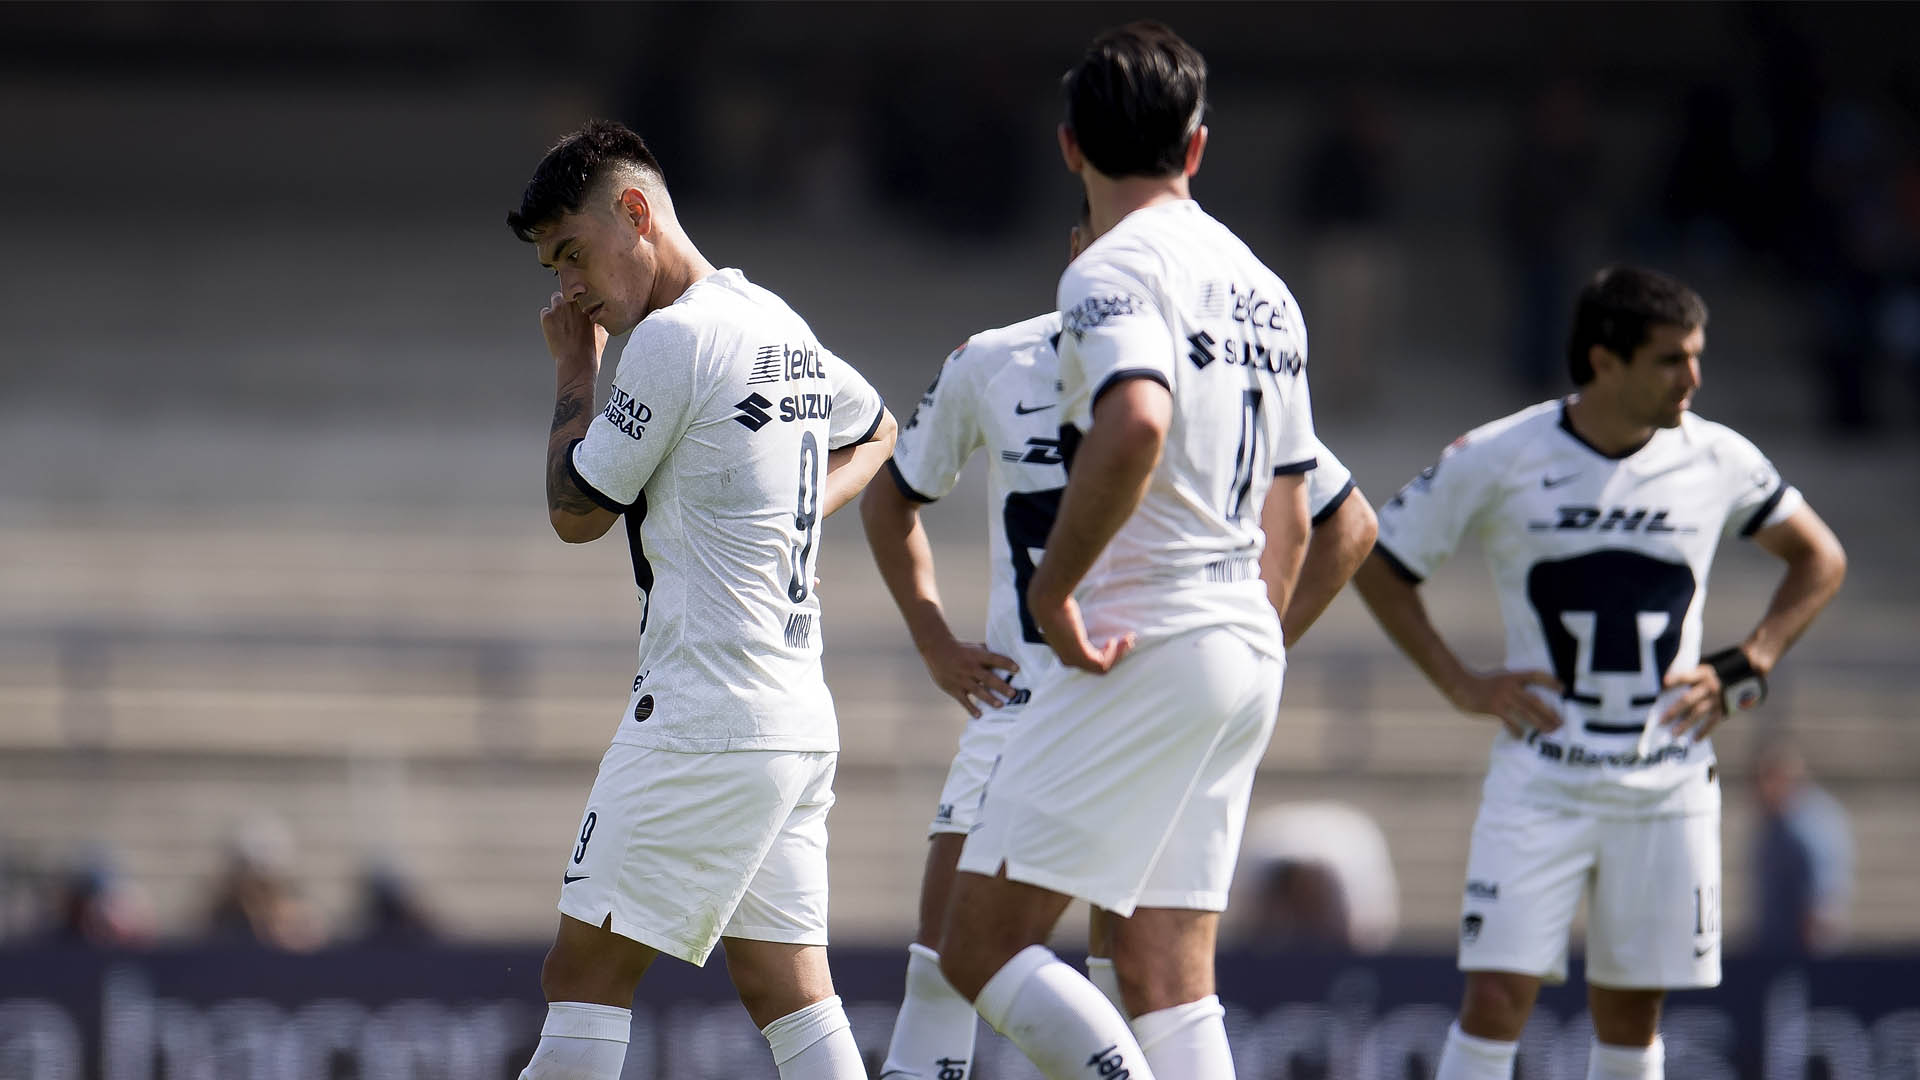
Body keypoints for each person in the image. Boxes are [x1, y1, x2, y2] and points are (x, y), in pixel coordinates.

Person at [864, 201, 1376, 1080]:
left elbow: (1346, 523)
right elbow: (891, 496)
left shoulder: (1192, 373)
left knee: (1016, 955)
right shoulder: (993, 361)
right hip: (1023, 697)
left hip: (1131, 694)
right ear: (1079, 255)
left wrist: (1254, 633)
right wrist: (935, 642)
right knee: (1087, 971)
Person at [934, 23, 1322, 1080]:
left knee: (981, 946)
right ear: (1198, 147)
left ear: (1069, 148)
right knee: (1162, 971)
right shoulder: (1266, 289)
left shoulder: (1109, 269)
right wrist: (1244, 639)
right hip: (1244, 641)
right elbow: (1301, 513)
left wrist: (1055, 589)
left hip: (1142, 640)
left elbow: (1137, 420)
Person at [1351, 266, 1847, 1080]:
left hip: (1665, 784)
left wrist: (1748, 662)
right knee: (1496, 1001)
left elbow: (1819, 558)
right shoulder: (1499, 453)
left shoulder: (1719, 457)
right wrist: (1460, 682)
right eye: (1670, 359)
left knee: (1630, 1013)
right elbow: (1380, 561)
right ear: (1603, 361)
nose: (1693, 378)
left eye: (1697, 356)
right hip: (1539, 781)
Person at [505, 119, 897, 1080]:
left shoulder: (672, 342)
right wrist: (793, 516)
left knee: (583, 973)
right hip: (794, 717)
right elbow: (877, 426)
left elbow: (574, 513)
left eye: (572, 254)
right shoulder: (774, 321)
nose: (568, 290)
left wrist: (571, 367)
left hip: (703, 716)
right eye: (553, 269)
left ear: (635, 212)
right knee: (789, 990)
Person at [1752, 738, 1854, 955]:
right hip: (1777, 946)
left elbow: (1823, 902)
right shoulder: (1774, 824)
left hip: (1804, 951)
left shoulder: (1810, 827)